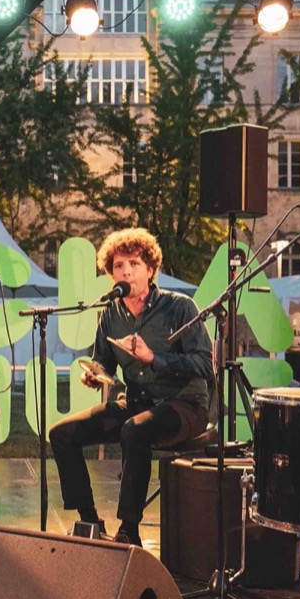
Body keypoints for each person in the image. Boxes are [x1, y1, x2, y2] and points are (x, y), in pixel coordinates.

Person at [50, 228, 213, 545]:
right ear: (111, 274)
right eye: (118, 266)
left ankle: (129, 530)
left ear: (150, 269)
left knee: (134, 430)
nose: (125, 271)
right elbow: (103, 362)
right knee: (62, 434)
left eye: (134, 264)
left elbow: (205, 364)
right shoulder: (110, 314)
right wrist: (95, 374)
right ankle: (89, 521)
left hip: (184, 405)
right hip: (137, 402)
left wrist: (154, 358)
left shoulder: (180, 307)